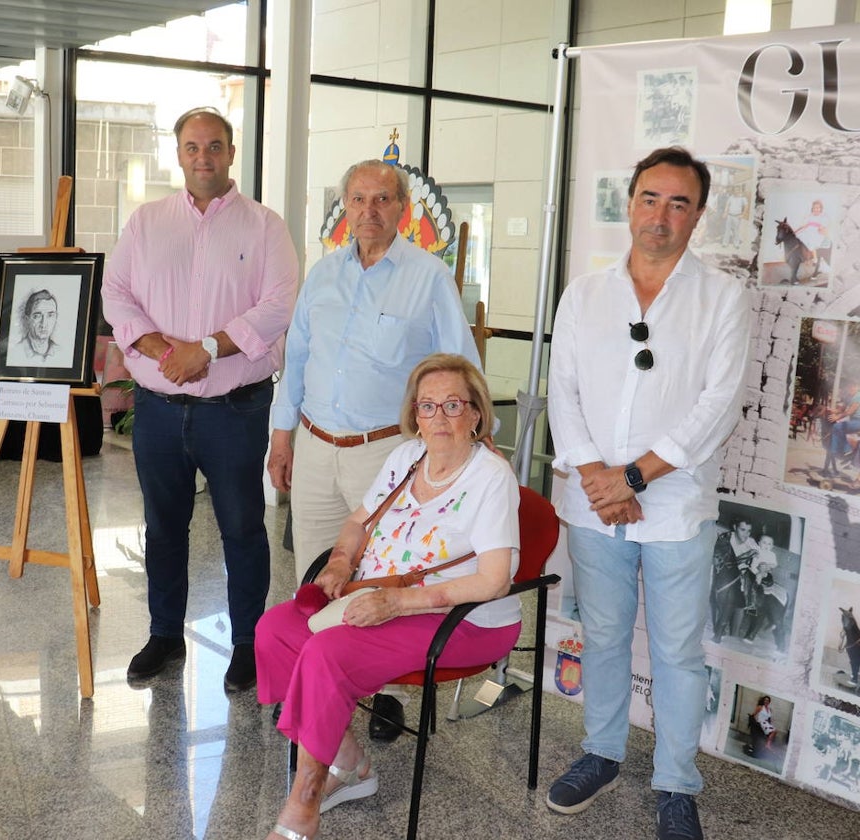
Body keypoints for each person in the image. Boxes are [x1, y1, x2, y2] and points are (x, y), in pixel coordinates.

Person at [547, 146, 750, 840]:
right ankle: (601, 752)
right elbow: (563, 393)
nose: (660, 215)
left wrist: (633, 478)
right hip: (592, 502)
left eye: (679, 202)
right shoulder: (585, 293)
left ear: (698, 215)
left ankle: (675, 783)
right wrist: (599, 479)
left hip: (673, 506)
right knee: (602, 635)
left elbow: (718, 405)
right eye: (649, 198)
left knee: (677, 653)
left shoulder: (722, 298)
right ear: (629, 203)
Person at [256, 354, 520, 840]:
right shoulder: (405, 457)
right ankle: (349, 760)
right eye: (427, 406)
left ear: (477, 413)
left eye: (453, 405)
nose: (439, 418)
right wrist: (339, 563)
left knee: (327, 653)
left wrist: (397, 604)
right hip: (379, 598)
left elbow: (494, 581)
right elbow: (358, 522)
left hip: (465, 617)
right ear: (414, 414)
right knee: (275, 629)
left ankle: (304, 802)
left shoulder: (491, 477)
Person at [267, 157, 483, 741]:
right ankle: (309, 681)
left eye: (382, 199)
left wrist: (459, 451)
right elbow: (297, 362)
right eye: (358, 200)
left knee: (380, 575)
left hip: (384, 454)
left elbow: (461, 367)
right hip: (314, 445)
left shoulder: (428, 277)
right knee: (314, 570)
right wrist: (281, 435)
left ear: (402, 210)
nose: (369, 211)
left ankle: (380, 691)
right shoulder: (322, 275)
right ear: (346, 208)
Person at [102, 106, 298, 693]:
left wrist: (207, 349)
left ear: (231, 153)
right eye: (192, 147)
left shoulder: (265, 226)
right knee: (163, 528)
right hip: (159, 411)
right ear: (179, 153)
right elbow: (116, 294)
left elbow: (279, 304)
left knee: (242, 528)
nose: (203, 157)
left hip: (234, 411)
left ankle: (247, 644)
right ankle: (165, 635)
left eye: (214, 146)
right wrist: (170, 351)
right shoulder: (146, 222)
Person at [6, 289, 65, 366]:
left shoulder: (61, 352)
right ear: (27, 320)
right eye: (37, 316)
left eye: (50, 315)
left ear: (56, 318)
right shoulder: (15, 352)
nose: (44, 324)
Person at [822, 381, 860, 476]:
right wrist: (831, 410)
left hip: (858, 421)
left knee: (837, 426)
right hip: (853, 421)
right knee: (837, 426)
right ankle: (837, 449)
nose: (849, 389)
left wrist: (837, 417)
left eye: (852, 387)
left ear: (857, 387)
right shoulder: (849, 397)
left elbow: (850, 412)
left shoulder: (858, 396)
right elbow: (841, 409)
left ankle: (844, 449)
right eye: (849, 386)